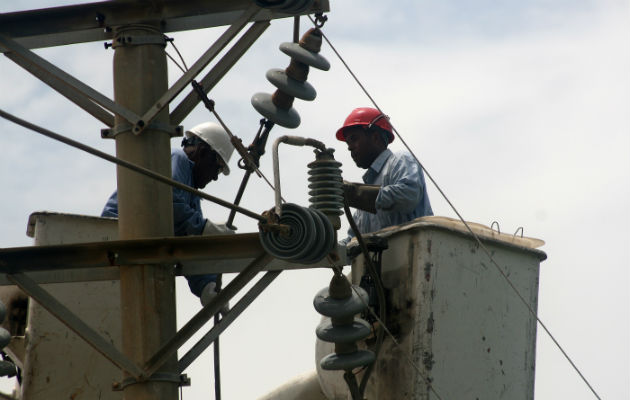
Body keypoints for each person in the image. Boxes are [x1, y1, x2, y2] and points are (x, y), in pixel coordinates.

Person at [101, 121, 235, 307]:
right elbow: (165, 202)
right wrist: (204, 228)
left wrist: (207, 285)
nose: (215, 177)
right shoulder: (176, 158)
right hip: (115, 232)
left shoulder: (192, 195)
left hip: (139, 249)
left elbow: (190, 244)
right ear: (204, 153)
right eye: (218, 168)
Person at [336, 107, 433, 244]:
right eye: (348, 143)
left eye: (354, 138)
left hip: (414, 259)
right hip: (382, 265)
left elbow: (409, 195)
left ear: (375, 137)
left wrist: (355, 193)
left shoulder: (400, 160)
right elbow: (354, 240)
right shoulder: (364, 201)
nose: (350, 147)